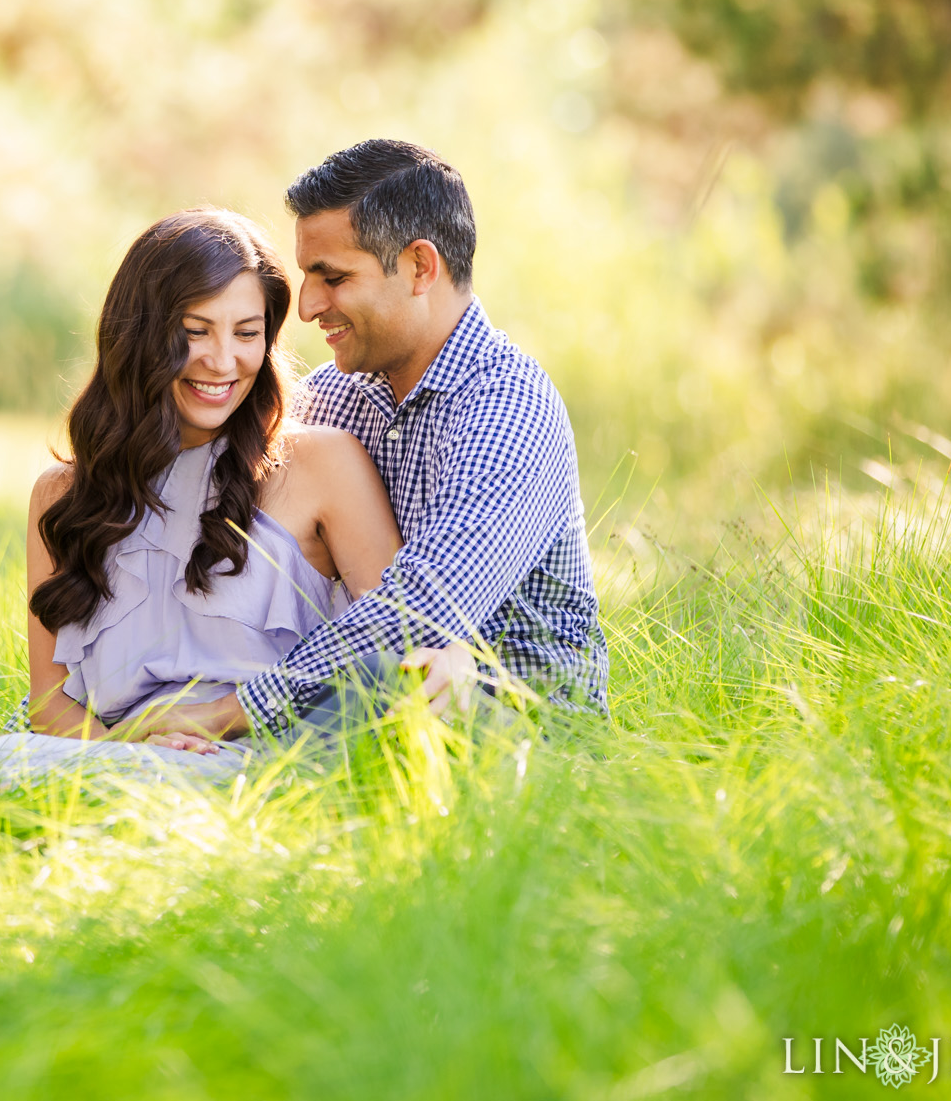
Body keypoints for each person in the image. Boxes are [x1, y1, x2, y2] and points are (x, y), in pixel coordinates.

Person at [132, 139, 610, 748]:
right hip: (355, 701)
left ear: (419, 267)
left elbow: (418, 615)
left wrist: (226, 712)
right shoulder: (334, 397)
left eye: (332, 278)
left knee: (406, 672)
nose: (305, 307)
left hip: (523, 726)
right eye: (307, 277)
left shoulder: (510, 407)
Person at [0, 208, 403, 788]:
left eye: (246, 333)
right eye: (195, 330)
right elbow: (49, 707)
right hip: (104, 761)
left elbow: (395, 647)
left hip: (264, 771)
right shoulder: (61, 498)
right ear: (139, 335)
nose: (222, 360)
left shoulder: (320, 465)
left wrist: (206, 729)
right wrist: (126, 752)